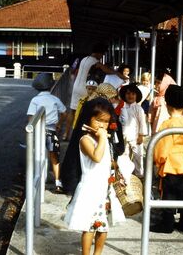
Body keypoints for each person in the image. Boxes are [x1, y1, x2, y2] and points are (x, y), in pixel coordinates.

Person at [64, 98, 125, 255]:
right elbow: (96, 157)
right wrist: (104, 138)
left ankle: (97, 253)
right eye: (98, 120)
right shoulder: (85, 139)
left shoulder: (104, 140)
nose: (102, 125)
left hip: (104, 189)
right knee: (89, 226)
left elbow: (107, 160)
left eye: (105, 122)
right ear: (88, 119)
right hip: (90, 189)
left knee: (103, 225)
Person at [60, 83, 125, 195]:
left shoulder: (90, 104)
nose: (114, 100)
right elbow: (98, 156)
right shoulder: (101, 108)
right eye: (113, 97)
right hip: (93, 149)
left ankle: (71, 185)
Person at [152, 84, 183, 233]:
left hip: (170, 164)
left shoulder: (167, 124)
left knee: (169, 193)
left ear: (166, 103)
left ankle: (167, 223)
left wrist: (158, 161)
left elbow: (161, 148)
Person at [66, 43, 124, 141]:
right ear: (99, 53)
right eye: (102, 54)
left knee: (72, 111)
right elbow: (108, 71)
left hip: (76, 87)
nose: (101, 57)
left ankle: (66, 134)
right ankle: (79, 134)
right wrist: (120, 75)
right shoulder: (95, 61)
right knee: (83, 112)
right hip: (87, 88)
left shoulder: (84, 59)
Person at [27, 73, 67, 193]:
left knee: (38, 156)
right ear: (51, 86)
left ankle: (37, 182)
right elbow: (65, 113)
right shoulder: (55, 99)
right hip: (51, 131)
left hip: (39, 131)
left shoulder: (35, 100)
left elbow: (30, 117)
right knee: (54, 157)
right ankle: (57, 182)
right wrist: (59, 124)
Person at [119, 83, 148, 178]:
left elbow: (142, 122)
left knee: (138, 156)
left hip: (135, 136)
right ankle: (125, 174)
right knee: (124, 155)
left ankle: (139, 175)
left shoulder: (138, 109)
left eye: (133, 94)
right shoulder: (123, 108)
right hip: (124, 136)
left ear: (136, 96)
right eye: (128, 94)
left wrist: (141, 135)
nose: (130, 96)